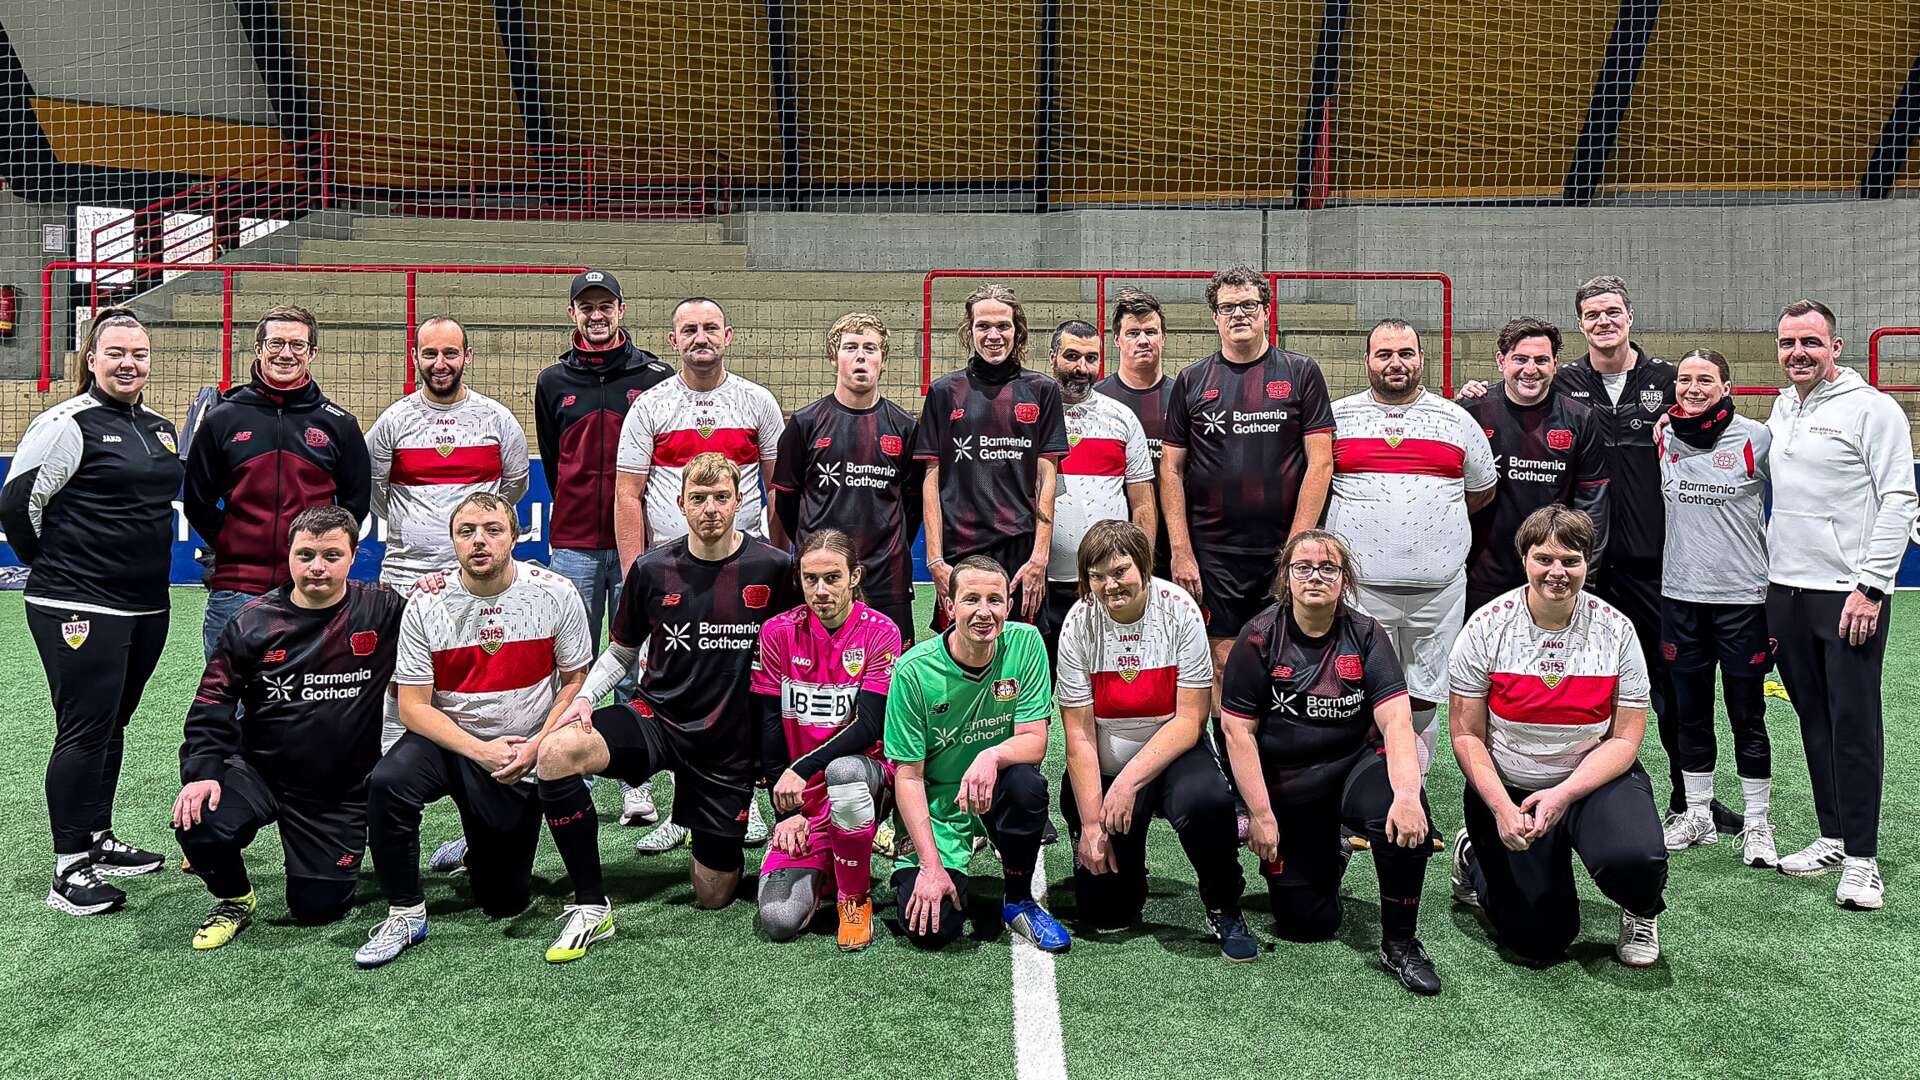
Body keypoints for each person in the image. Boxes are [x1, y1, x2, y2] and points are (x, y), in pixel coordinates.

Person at [530, 453, 798, 960]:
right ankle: (591, 905)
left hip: (728, 744)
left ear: (741, 502)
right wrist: (585, 697)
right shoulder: (653, 569)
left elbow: (797, 651)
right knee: (557, 753)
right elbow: (623, 652)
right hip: (658, 721)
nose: (711, 509)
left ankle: (718, 827)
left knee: (713, 895)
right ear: (679, 504)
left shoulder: (775, 568)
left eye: (722, 497)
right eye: (698, 498)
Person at [356, 492, 593, 969]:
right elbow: (413, 707)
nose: (479, 541)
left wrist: (538, 746)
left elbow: (575, 682)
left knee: (504, 899)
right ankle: (405, 912)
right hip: (448, 739)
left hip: (520, 747)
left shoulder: (555, 592)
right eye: (466, 532)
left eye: (492, 529)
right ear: (452, 541)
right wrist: (478, 751)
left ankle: (475, 840)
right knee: (387, 784)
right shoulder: (425, 602)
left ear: (515, 535)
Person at [0, 308, 183, 915]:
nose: (129, 364)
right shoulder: (63, 423)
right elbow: (19, 505)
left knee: (112, 725)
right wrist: (61, 569)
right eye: (116, 354)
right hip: (75, 604)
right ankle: (68, 868)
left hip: (145, 606)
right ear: (91, 357)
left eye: (139, 354)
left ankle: (98, 838)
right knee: (83, 728)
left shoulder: (159, 428)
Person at [173, 505, 409, 948]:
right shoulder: (253, 622)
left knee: (317, 908)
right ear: (289, 555)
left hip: (337, 791)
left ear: (353, 555)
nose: (317, 567)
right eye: (305, 555)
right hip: (259, 771)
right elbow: (212, 702)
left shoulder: (383, 610)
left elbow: (438, 620)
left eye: (331, 555)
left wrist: (438, 585)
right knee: (197, 820)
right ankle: (234, 898)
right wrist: (202, 771)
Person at [1218, 530, 1441, 994]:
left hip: (1352, 766)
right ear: (1286, 577)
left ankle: (1400, 943)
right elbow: (1237, 732)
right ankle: (1330, 850)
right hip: (1289, 782)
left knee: (1400, 817)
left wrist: (1406, 794)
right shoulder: (1259, 637)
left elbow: (1397, 718)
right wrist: (1259, 814)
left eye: (1328, 568)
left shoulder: (1365, 633)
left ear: (1344, 580)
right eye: (1303, 567)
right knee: (1306, 924)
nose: (1315, 576)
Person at [1447, 505, 1667, 968]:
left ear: (1588, 563)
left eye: (1571, 560)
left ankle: (1640, 909)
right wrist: (1502, 808)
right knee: (1538, 941)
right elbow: (1466, 734)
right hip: (1511, 788)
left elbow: (1626, 740)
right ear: (1524, 559)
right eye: (1544, 558)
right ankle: (1476, 853)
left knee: (1636, 859)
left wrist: (1564, 794)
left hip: (1591, 780)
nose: (1557, 572)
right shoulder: (1486, 626)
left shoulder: (1618, 630)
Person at [1553, 277, 1727, 834]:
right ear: (1581, 324)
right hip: (1583, 568)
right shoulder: (1562, 382)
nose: (1603, 322)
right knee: (1577, 684)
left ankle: (1690, 799)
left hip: (1656, 567)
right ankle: (1578, 795)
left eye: (1612, 312)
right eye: (1592, 315)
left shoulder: (1669, 382)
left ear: (1631, 315)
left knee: (1674, 686)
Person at [616, 297, 786, 851]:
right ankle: (682, 809)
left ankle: (750, 803)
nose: (700, 337)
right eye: (689, 329)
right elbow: (628, 494)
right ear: (673, 340)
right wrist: (633, 576)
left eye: (710, 327)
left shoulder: (757, 401)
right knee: (672, 692)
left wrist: (777, 561)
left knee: (747, 687)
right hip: (671, 580)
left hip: (744, 573)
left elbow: (777, 489)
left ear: (729, 335)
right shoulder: (650, 406)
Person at [1765, 299, 1917, 910]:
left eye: (1810, 342)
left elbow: (1900, 500)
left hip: (1848, 596)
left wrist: (1873, 585)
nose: (1797, 353)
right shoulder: (1781, 407)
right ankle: (1832, 835)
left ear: (1837, 347)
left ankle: (1863, 861)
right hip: (1786, 592)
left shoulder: (1874, 410)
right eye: (1787, 343)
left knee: (1854, 724)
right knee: (1813, 718)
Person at [1055, 522, 1250, 959]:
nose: (1110, 585)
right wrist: (1091, 826)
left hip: (1173, 751)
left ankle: (1223, 902)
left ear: (1144, 567)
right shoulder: (1077, 624)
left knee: (1207, 800)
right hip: (1106, 757)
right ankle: (1123, 869)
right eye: (1097, 575)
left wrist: (1127, 784)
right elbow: (1079, 736)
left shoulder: (1180, 609)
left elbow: (1190, 721)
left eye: (1120, 571)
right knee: (1106, 912)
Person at [535, 269, 675, 827]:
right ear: (573, 314)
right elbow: (553, 456)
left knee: (634, 661)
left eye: (606, 306)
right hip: (573, 543)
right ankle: (575, 766)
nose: (597, 315)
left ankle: (633, 784)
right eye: (586, 307)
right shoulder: (552, 381)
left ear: (621, 310)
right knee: (573, 663)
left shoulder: (656, 376)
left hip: (638, 544)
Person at [1328, 319, 1496, 782]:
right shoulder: (1337, 417)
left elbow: (1480, 491)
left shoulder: (1456, 419)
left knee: (1425, 690)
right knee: (1358, 687)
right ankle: (1364, 788)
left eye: (1405, 353)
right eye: (1384, 354)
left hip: (1438, 591)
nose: (1395, 363)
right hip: (1360, 589)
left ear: (1422, 360)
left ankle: (1411, 786)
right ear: (1367, 361)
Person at [1162, 265, 1334, 716]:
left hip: (1282, 547)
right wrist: (1181, 549)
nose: (1238, 313)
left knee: (1286, 656)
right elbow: (1172, 470)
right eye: (1227, 307)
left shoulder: (1301, 372)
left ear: (1265, 312)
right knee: (1222, 660)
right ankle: (1229, 770)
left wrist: (1299, 545)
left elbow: (1321, 462)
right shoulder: (1192, 380)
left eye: (1248, 305)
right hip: (1215, 552)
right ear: (1215, 317)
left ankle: (1279, 760)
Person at [885, 556, 1070, 953]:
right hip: (937, 802)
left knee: (1027, 785)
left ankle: (1018, 900)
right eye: (971, 599)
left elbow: (1035, 739)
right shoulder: (913, 671)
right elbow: (909, 776)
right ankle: (937, 862)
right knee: (931, 930)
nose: (984, 612)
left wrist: (990, 757)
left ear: (1008, 605)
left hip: (992, 789)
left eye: (995, 600)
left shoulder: (1026, 644)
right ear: (949, 607)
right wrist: (931, 868)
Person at [368, 315, 529, 748]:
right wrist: (417, 531)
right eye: (431, 353)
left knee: (479, 672)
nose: (441, 363)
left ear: (467, 357)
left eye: (450, 353)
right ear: (415, 357)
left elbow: (512, 488)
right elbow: (374, 492)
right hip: (405, 577)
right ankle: (391, 760)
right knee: (399, 678)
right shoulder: (393, 422)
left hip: (477, 581)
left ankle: (479, 758)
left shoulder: (496, 419)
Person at [183, 304, 371, 658]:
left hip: (312, 591)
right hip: (235, 591)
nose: (286, 354)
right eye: (276, 344)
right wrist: (233, 541)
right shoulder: (223, 418)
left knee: (308, 706)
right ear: (259, 350)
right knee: (230, 707)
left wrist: (321, 556)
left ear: (312, 353)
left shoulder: (339, 424)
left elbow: (355, 504)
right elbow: (197, 500)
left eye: (298, 345)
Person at [1653, 349, 1778, 867]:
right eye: (1684, 379)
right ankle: (1698, 813)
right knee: (1689, 712)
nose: (1693, 387)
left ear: (1727, 386)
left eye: (1705, 379)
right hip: (1680, 596)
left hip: (1743, 599)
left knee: (1748, 714)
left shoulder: (1757, 437)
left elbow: (1796, 500)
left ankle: (1757, 823)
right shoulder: (1664, 434)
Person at [753, 529, 904, 951]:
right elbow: (768, 725)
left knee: (844, 772)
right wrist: (785, 814)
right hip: (801, 799)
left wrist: (799, 770)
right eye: (810, 579)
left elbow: (869, 726)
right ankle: (832, 858)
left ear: (855, 576)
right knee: (779, 920)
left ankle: (853, 897)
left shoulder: (880, 632)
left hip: (863, 779)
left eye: (833, 578)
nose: (820, 591)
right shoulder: (776, 633)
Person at [914, 284, 1070, 629]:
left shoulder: (1042, 390)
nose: (994, 335)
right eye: (983, 326)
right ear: (969, 332)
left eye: (1003, 325)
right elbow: (931, 480)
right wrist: (935, 561)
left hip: (1021, 551)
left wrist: (1039, 558)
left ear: (1019, 331)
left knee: (1018, 655)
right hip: (960, 551)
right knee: (960, 658)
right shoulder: (944, 392)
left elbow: (1047, 480)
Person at [771, 312, 922, 645]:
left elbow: (913, 506)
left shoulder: (906, 428)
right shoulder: (805, 424)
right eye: (850, 347)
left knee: (889, 680)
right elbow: (786, 503)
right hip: (821, 578)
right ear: (833, 356)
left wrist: (888, 549)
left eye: (871, 348)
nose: (861, 356)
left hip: (887, 579)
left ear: (883, 360)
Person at [1460, 317, 1609, 617]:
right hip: (1482, 576)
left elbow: (1592, 506)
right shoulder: (1470, 412)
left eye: (1541, 360)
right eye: (1520, 359)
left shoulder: (1580, 419)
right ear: (1501, 361)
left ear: (1555, 364)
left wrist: (1582, 574)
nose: (1530, 369)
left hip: (1552, 576)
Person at [1039, 320, 1154, 660]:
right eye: (1072, 356)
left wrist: (1140, 568)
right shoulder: (1030, 415)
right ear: (1052, 357)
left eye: (1091, 359)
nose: (1081, 368)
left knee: (1104, 686)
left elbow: (1143, 502)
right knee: (1039, 688)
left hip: (1106, 586)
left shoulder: (1121, 417)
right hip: (1040, 585)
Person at [1094, 287, 1175, 578]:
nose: (1143, 340)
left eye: (1151, 332)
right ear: (1116, 340)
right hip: (1111, 543)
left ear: (1163, 337)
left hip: (1174, 542)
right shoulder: (1096, 401)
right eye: (1133, 333)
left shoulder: (1184, 398)